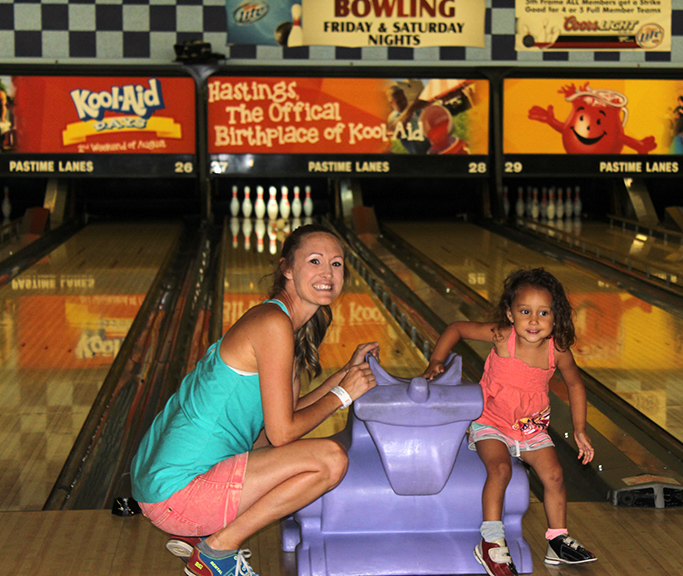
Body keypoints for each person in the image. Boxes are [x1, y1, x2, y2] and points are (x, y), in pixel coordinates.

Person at [131, 224, 379, 576]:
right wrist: (342, 394)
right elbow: (283, 434)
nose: (327, 272)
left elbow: (284, 418)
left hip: (162, 484)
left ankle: (205, 535)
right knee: (330, 460)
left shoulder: (282, 325)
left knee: (282, 447)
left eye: (337, 264)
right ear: (288, 269)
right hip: (179, 492)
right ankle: (216, 551)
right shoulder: (273, 325)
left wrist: (343, 377)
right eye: (315, 261)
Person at [422, 268, 596, 576]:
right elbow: (457, 328)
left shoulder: (557, 350)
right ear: (510, 314)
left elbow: (576, 385)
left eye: (543, 313)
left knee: (554, 475)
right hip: (490, 421)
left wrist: (580, 429)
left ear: (556, 318)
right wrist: (437, 359)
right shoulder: (503, 337)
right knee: (500, 469)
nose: (533, 321)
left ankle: (557, 540)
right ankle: (490, 543)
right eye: (525, 311)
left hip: (530, 427)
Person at [386, 82, 431, 154]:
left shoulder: (412, 109)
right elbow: (397, 132)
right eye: (399, 101)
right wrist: (412, 107)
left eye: (404, 98)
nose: (403, 102)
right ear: (391, 103)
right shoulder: (393, 116)